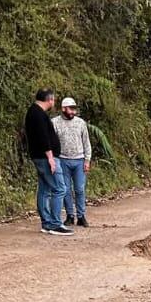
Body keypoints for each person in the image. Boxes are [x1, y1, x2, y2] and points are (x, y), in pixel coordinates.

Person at [24, 90, 71, 235]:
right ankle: (55, 223)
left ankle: (46, 222)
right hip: (45, 157)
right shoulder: (38, 114)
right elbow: (43, 137)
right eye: (54, 99)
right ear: (49, 99)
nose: (54, 102)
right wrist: (50, 157)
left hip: (39, 156)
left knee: (45, 189)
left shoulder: (33, 112)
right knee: (59, 188)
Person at [52, 97, 92, 227]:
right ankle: (70, 215)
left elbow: (86, 142)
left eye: (74, 109)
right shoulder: (55, 123)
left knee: (80, 189)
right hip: (63, 159)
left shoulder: (80, 123)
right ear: (63, 109)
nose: (73, 112)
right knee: (66, 189)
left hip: (79, 160)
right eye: (71, 109)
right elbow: (51, 142)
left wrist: (87, 159)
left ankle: (81, 215)